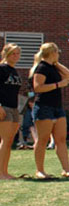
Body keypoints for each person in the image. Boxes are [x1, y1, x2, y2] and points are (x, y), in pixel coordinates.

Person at [30, 42, 69, 179]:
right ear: (52, 52)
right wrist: (58, 85)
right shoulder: (41, 68)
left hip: (57, 107)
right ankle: (40, 170)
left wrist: (56, 63)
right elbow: (38, 87)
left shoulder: (53, 67)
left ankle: (66, 170)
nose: (59, 54)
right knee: (42, 140)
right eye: (57, 52)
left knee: (61, 139)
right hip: (44, 107)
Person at [0, 43, 23, 180]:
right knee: (4, 140)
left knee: (9, 141)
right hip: (4, 107)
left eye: (18, 53)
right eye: (13, 53)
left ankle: (5, 171)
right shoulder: (2, 68)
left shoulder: (14, 70)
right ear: (6, 54)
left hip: (14, 108)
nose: (16, 56)